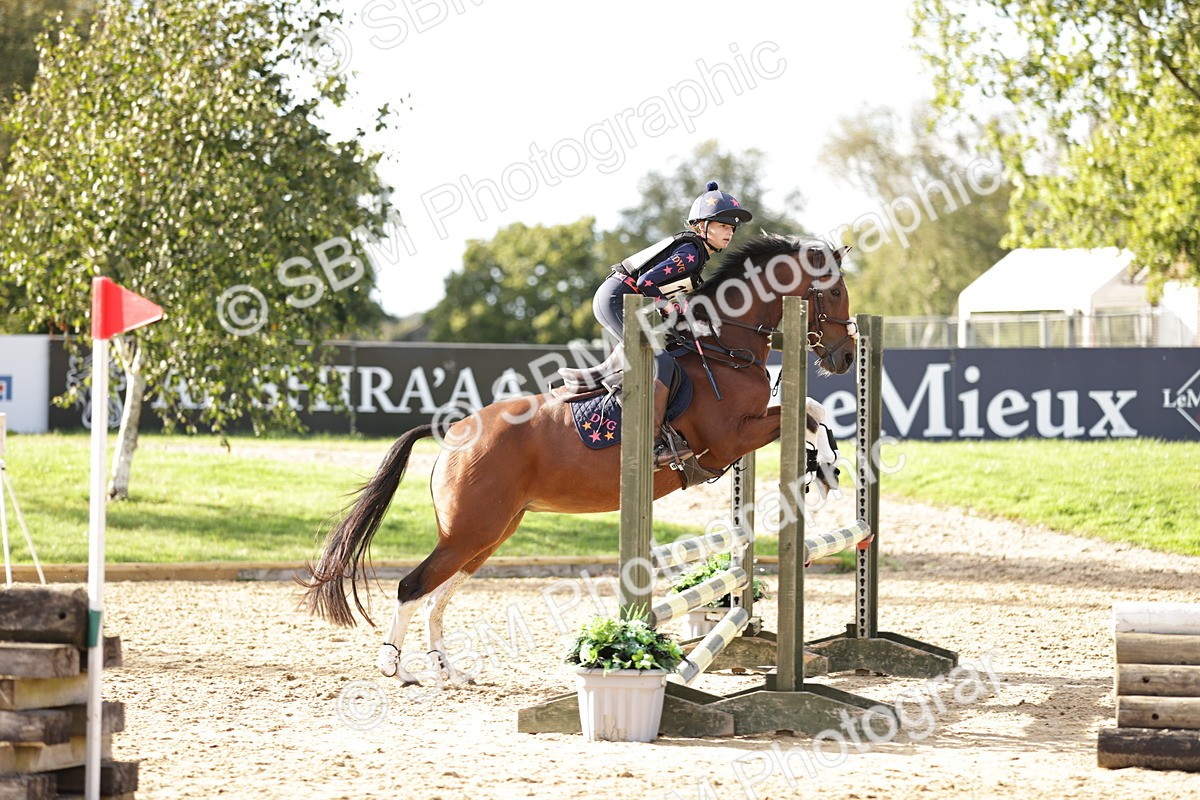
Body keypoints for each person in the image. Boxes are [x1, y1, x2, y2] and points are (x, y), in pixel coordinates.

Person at [592, 181, 753, 465]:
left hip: (627, 302)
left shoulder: (696, 253)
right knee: (662, 362)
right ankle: (651, 443)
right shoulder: (691, 253)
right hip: (616, 301)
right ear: (701, 225)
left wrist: (678, 308)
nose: (730, 232)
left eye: (732, 227)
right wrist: (671, 306)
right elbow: (646, 282)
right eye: (723, 225)